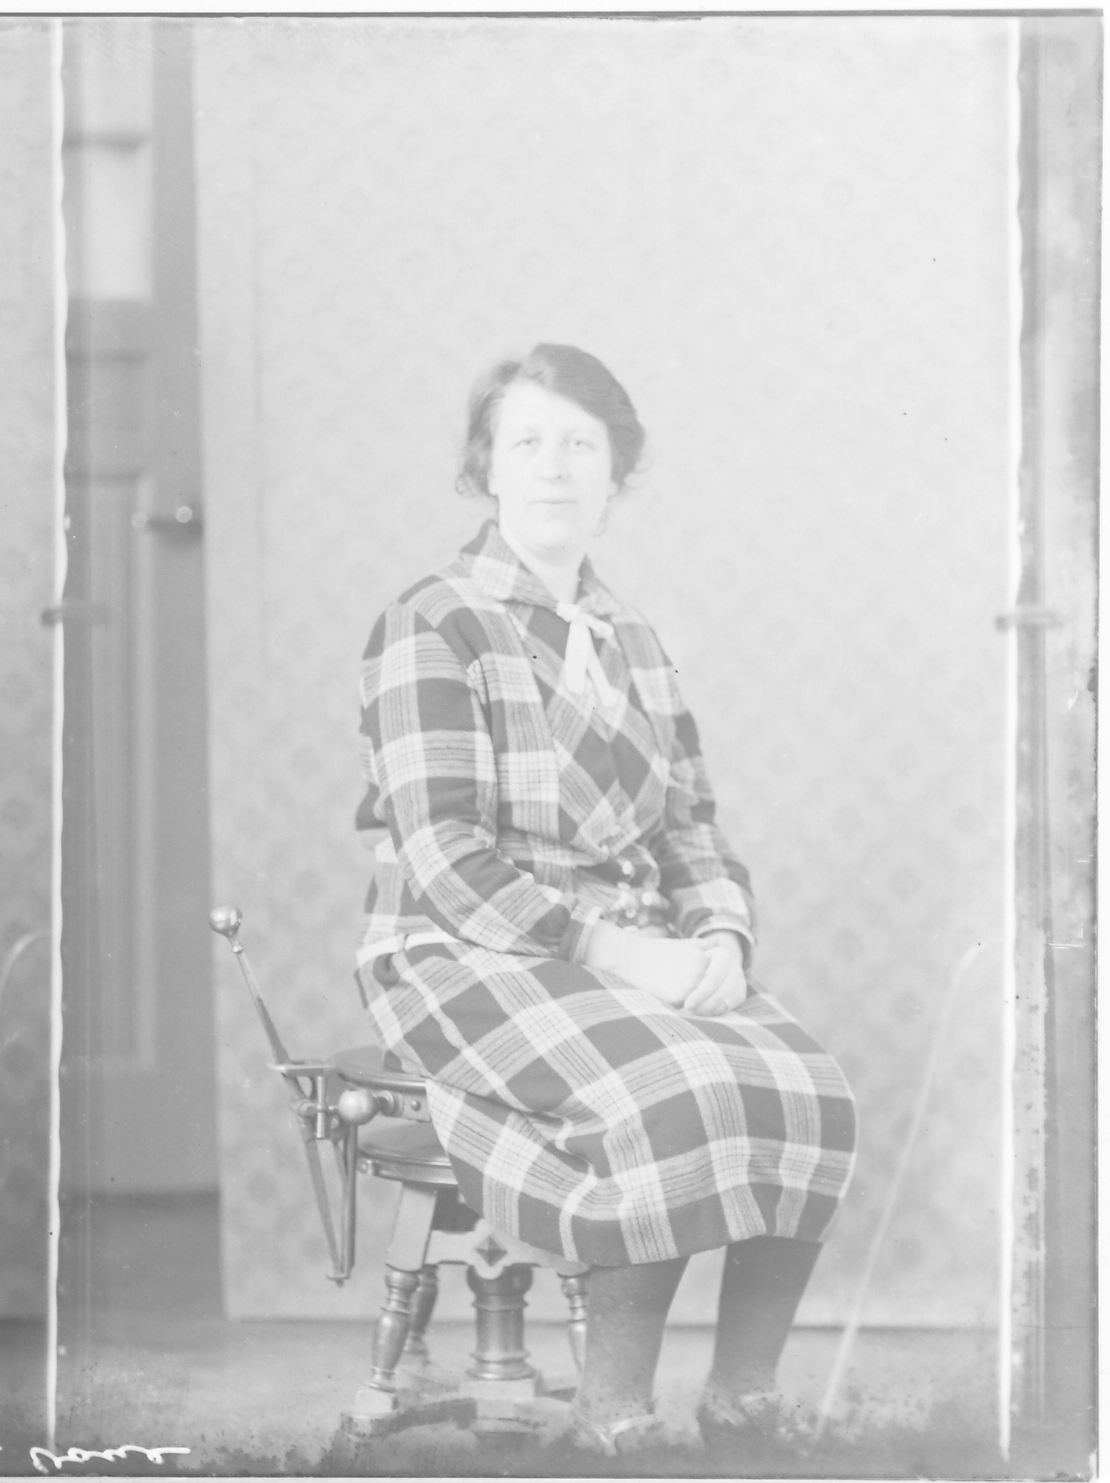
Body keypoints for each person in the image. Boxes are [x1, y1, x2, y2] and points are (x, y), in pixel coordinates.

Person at [352, 344, 857, 1457]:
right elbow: (443, 857)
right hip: (456, 952)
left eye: (580, 445)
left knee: (808, 1088)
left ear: (616, 473)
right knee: (665, 1092)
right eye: (526, 442)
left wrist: (719, 932)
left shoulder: (632, 639)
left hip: (631, 945)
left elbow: (688, 826)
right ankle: (613, 1419)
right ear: (485, 467)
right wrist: (627, 955)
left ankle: (741, 1403)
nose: (553, 467)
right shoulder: (432, 621)